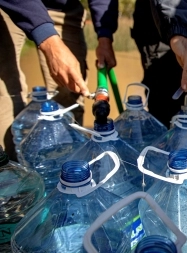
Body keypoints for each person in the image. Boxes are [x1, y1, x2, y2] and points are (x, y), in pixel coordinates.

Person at [0, 0, 117, 160]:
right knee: (5, 94)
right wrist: (48, 39)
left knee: (69, 94)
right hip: (9, 6)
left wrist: (105, 37)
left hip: (61, 6)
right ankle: (11, 173)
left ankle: (72, 167)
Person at [131, 0, 187, 128]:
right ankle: (162, 139)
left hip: (186, 30)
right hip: (159, 31)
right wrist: (179, 32)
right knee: (162, 103)